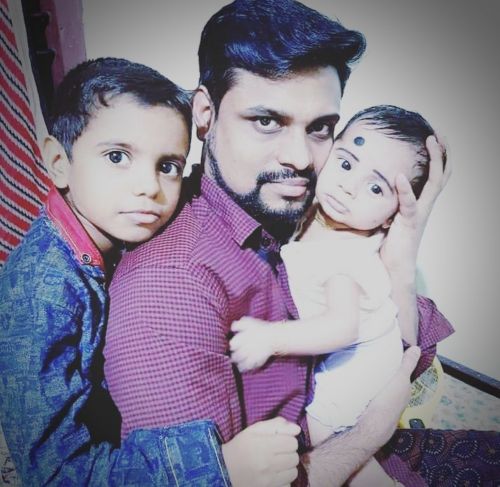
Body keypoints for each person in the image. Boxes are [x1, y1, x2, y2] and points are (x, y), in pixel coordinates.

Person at [104, 1, 452, 485]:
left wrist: (403, 244)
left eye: (320, 128)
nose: (301, 159)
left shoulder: (290, 210)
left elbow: (404, 347)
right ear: (204, 114)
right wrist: (368, 434)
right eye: (267, 121)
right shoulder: (172, 287)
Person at [0, 57, 232, 485]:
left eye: (168, 166)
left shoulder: (111, 224)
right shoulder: (40, 295)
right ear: (59, 162)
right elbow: (56, 476)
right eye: (117, 156)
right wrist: (219, 464)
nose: (149, 186)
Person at [230, 104, 448, 483]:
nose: (348, 186)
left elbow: (342, 327)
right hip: (361, 372)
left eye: (376, 188)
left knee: (336, 454)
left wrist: (271, 338)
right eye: (346, 163)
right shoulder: (320, 218)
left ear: (392, 215)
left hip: (353, 385)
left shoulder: (343, 257)